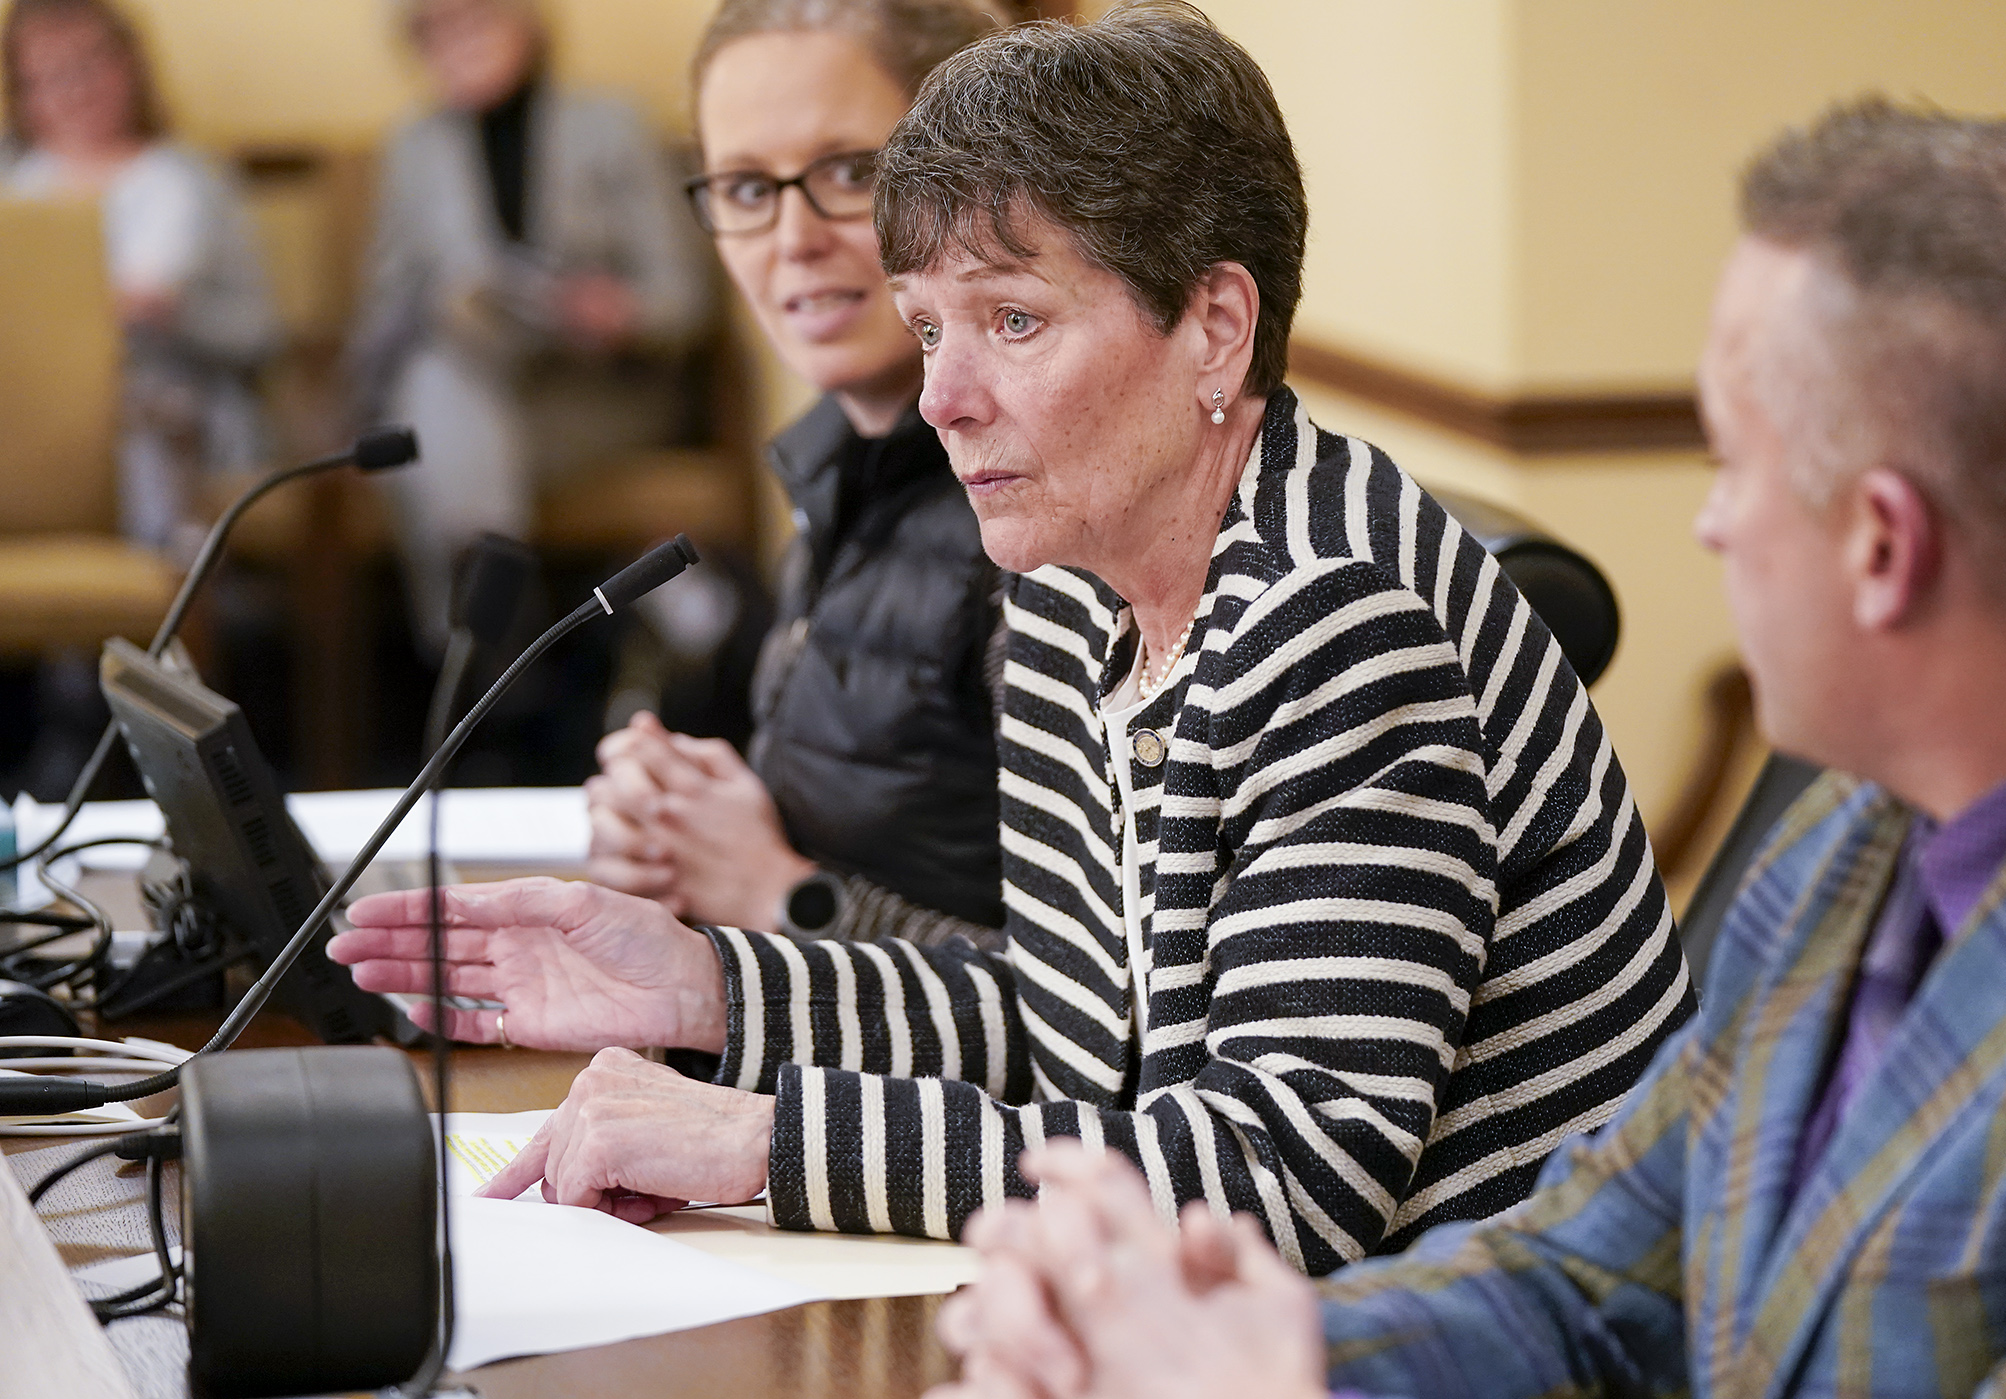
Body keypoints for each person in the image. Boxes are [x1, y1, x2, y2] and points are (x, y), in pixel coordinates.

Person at [328, 1, 1689, 1268]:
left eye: (1012, 321)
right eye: (927, 328)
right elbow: (1067, 1025)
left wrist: (762, 1140)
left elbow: (1290, 1178)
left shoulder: (1334, 613)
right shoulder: (1073, 589)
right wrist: (710, 985)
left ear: (1217, 324)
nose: (942, 399)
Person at [931, 98, 2006, 1399]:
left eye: (1733, 465)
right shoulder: (1850, 837)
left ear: (1883, 547)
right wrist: (1269, 1351)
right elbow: (1586, 1276)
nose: (1711, 526)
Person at [583, 0, 1012, 946]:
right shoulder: (834, 462)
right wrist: (679, 841)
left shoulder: (1038, 514)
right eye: (743, 187)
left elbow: (1107, 1023)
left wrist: (778, 894)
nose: (791, 237)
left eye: (852, 172)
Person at [348, 0, 708, 649]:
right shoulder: (414, 148)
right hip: (467, 377)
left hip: (590, 392)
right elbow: (381, 312)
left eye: (476, 18)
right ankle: (501, 627)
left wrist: (619, 311)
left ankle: (478, 635)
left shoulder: (611, 125)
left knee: (433, 433)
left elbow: (684, 299)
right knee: (438, 374)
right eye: (437, 29)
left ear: (527, 21)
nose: (459, 41)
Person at [0, 0, 280, 554]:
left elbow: (260, 333)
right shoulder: (15, 187)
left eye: (89, 65)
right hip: (26, 414)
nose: (74, 91)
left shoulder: (187, 178)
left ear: (131, 64)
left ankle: (143, 618)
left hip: (172, 410)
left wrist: (172, 316)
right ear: (21, 92)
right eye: (49, 77)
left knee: (138, 425)